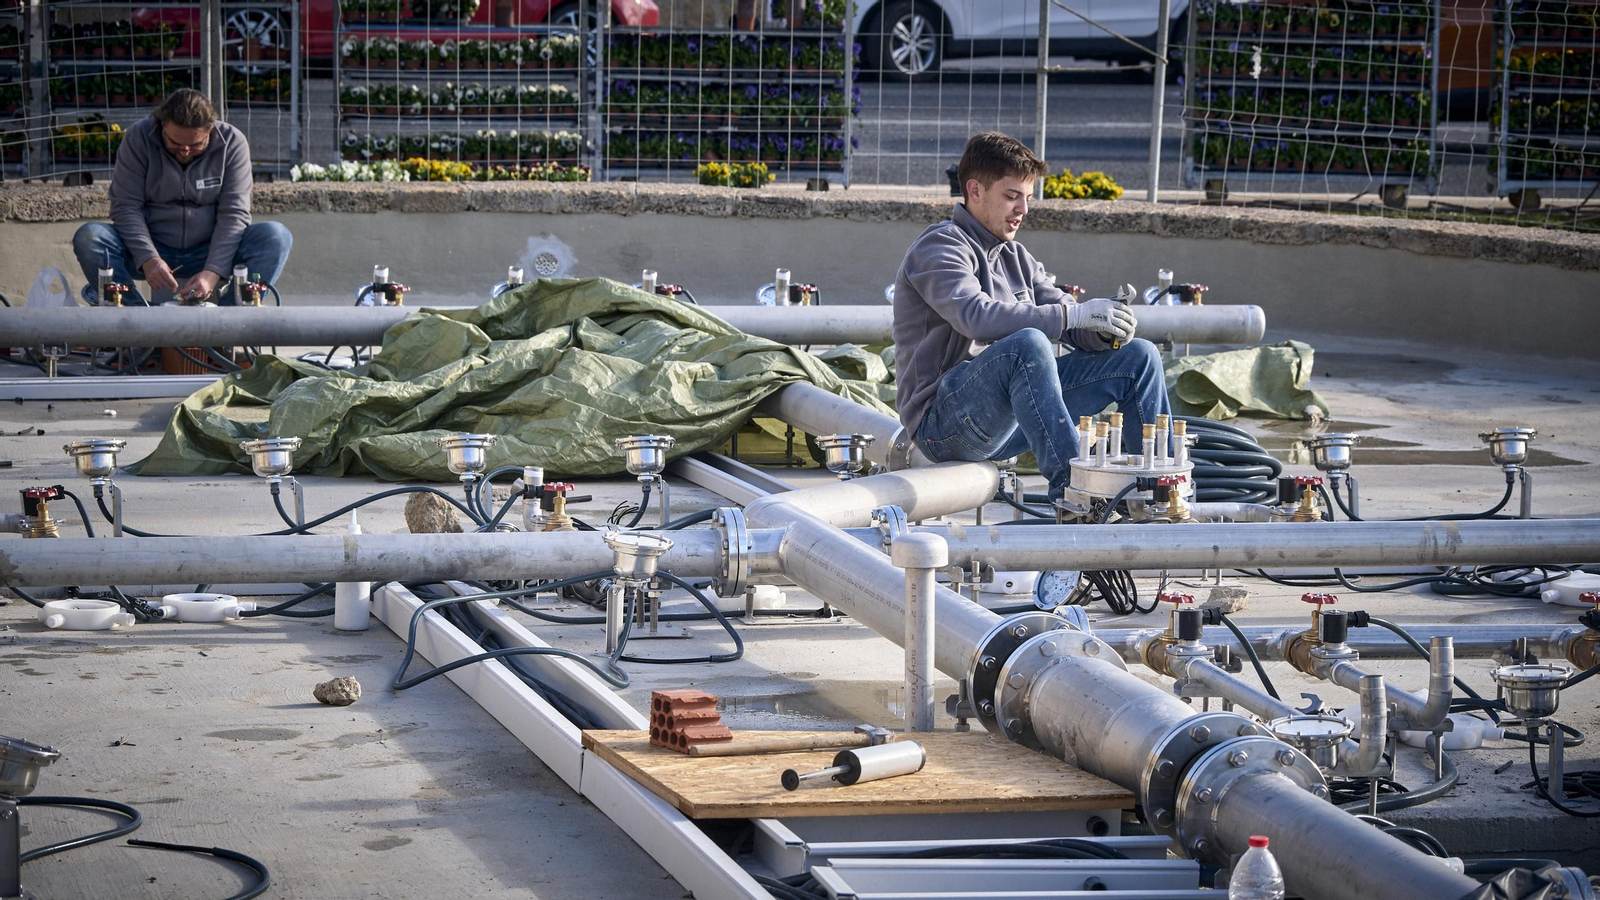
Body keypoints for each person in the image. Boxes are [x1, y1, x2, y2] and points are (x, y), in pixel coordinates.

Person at [892, 131, 1171, 503]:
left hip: (1011, 419)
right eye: (1011, 196)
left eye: (1027, 198)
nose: (1023, 210)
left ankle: (1158, 494)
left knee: (1140, 356)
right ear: (975, 191)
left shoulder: (1017, 256)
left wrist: (1105, 325)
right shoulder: (940, 246)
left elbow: (1068, 320)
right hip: (944, 426)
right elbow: (975, 317)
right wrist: (1073, 316)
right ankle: (1077, 494)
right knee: (1027, 344)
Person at [71, 89, 291, 306]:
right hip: (150, 247)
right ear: (161, 126)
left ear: (210, 131)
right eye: (175, 143)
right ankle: (137, 321)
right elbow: (126, 207)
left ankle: (224, 324)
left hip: (210, 248)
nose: (185, 151)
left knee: (276, 236)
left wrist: (213, 272)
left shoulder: (232, 143)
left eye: (195, 145)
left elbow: (234, 215)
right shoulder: (138, 138)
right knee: (90, 237)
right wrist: (148, 258)